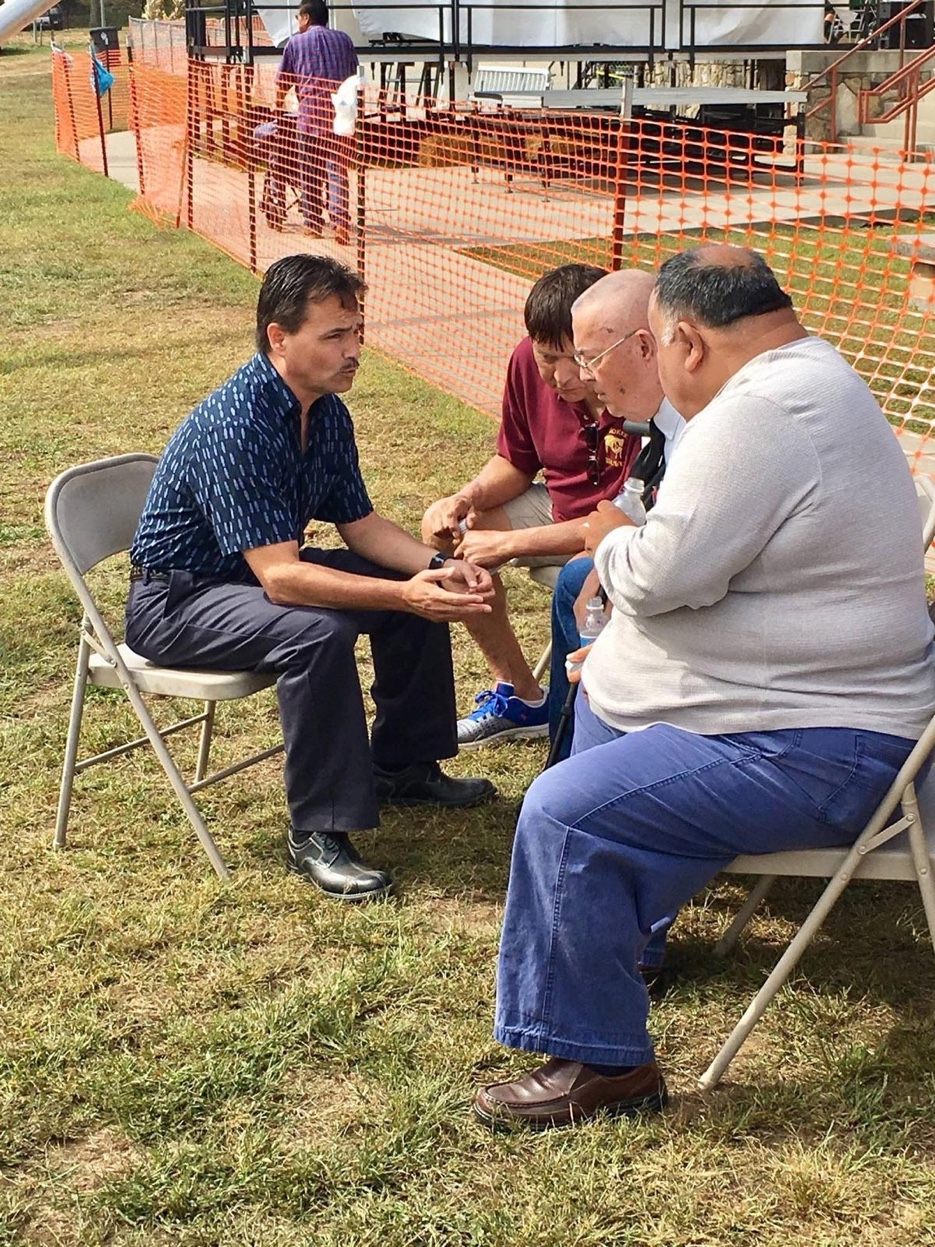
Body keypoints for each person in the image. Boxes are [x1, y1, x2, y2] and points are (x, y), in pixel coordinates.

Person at [473, 244, 935, 1130]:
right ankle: (618, 948)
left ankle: (603, 1064)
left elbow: (652, 576)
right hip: (830, 714)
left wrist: (605, 536)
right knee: (607, 692)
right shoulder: (808, 374)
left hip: (835, 748)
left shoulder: (756, 414)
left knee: (565, 808)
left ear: (683, 340)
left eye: (635, 346)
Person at [126, 254, 496, 904]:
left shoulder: (322, 409)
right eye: (335, 336)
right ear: (279, 337)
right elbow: (283, 581)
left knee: (409, 593)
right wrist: (401, 591)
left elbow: (360, 525)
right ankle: (317, 831)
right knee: (316, 632)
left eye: (357, 331)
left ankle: (403, 765)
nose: (354, 349)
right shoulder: (238, 423)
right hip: (177, 599)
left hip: (241, 581)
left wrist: (437, 570)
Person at [421, 265, 642, 749]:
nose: (562, 376)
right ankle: (521, 696)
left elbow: (630, 522)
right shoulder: (526, 363)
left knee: (581, 571)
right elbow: (514, 462)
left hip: (620, 528)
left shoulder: (633, 377)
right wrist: (465, 499)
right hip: (562, 510)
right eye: (547, 358)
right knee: (450, 540)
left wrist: (510, 543)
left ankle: (597, 714)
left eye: (575, 359)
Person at [546, 268, 686, 761]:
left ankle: (579, 770)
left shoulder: (708, 429)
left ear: (646, 348)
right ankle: (567, 756)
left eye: (590, 359)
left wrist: (609, 553)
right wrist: (603, 556)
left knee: (586, 588)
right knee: (577, 580)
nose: (582, 377)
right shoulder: (665, 420)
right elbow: (631, 502)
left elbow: (667, 576)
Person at [275, 0, 358, 244]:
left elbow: (282, 83)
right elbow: (353, 75)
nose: (297, 23)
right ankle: (341, 222)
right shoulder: (344, 40)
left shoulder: (295, 43)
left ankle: (313, 223)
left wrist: (277, 107)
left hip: (309, 117)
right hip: (339, 116)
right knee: (337, 170)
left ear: (307, 18)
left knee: (309, 171)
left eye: (298, 18)